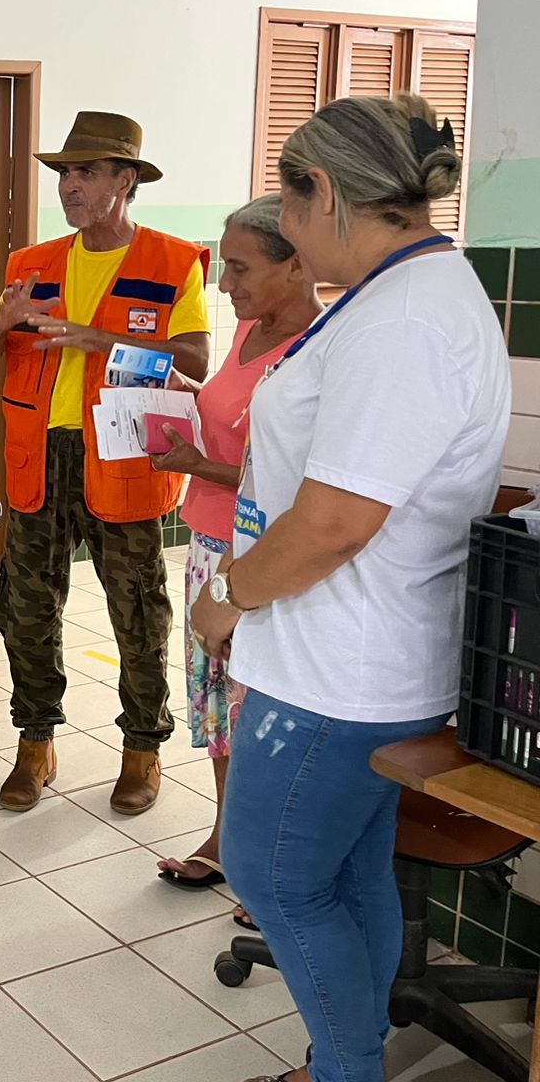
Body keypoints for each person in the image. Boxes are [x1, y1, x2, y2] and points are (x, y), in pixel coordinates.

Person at [194, 94, 510, 1082]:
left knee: (271, 877)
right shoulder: (401, 295)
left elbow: (336, 522)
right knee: (349, 869)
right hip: (353, 652)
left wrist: (228, 597)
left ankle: (344, 1069)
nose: (282, 231)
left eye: (286, 210)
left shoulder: (406, 319)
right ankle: (352, 1054)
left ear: (322, 192)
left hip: (341, 669)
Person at [0, 112, 212, 815]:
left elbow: (195, 360)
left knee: (138, 612)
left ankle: (143, 749)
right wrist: (3, 322)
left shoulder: (172, 261)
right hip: (39, 460)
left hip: (125, 458)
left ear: (125, 181)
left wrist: (94, 338)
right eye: (64, 174)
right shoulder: (30, 264)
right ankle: (34, 744)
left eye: (85, 172)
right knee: (25, 608)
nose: (69, 186)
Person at [151, 196, 320, 908]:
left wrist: (197, 465)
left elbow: (299, 477)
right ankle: (227, 838)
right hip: (209, 541)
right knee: (220, 703)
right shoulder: (249, 328)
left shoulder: (317, 348)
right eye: (225, 265)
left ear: (299, 264)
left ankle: (268, 863)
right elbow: (232, 416)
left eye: (242, 268)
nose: (225, 284)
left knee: (261, 710)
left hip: (264, 555)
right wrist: (182, 395)